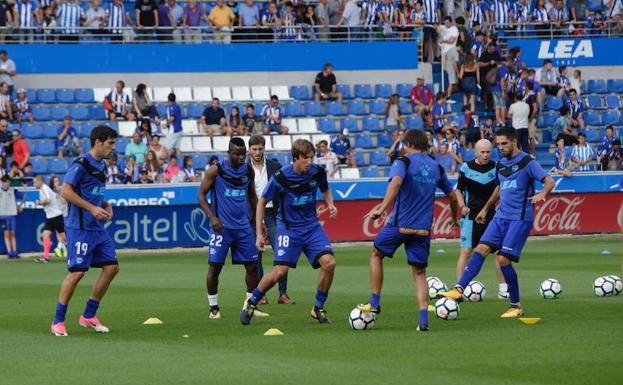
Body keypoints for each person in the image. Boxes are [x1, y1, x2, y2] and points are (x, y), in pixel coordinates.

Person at [439, 127, 556, 318]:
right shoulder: (500, 165)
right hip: (500, 216)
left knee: (502, 259)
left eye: (504, 144)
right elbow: (500, 188)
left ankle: (515, 305)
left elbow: (549, 181)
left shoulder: (527, 162)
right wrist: (486, 209)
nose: (500, 147)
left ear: (514, 142)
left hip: (519, 218)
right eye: (498, 144)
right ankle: (458, 289)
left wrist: (542, 193)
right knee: (480, 249)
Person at [357, 129, 459, 331]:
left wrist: (382, 208)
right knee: (420, 273)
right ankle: (423, 320)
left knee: (376, 254)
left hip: (399, 224)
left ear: (408, 144)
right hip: (422, 229)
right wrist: (454, 218)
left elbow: (396, 182)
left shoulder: (403, 162)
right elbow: (453, 197)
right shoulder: (437, 167)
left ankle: (375, 303)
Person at [241, 139, 338, 325]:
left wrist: (330, 203)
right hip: (288, 229)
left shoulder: (317, 172)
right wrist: (259, 232)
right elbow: (262, 201)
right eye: (306, 159)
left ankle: (318, 308)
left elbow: (325, 188)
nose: (310, 162)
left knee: (329, 263)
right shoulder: (281, 177)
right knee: (279, 271)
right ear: (295, 158)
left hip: (311, 227)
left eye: (312, 158)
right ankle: (252, 301)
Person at [50, 125, 119, 337]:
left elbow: (92, 193)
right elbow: (65, 192)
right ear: (97, 142)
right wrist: (91, 208)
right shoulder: (80, 164)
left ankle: (88, 315)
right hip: (79, 228)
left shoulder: (101, 166)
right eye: (110, 143)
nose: (113, 147)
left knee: (111, 268)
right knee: (77, 272)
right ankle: (58, 321)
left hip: (96, 228)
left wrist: (105, 204)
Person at [197, 137, 265, 319]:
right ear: (229, 153)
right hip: (222, 228)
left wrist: (260, 223)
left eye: (243, 154)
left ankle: (250, 305)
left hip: (243, 228)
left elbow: (252, 198)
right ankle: (213, 308)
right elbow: (201, 195)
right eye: (237, 154)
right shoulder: (216, 170)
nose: (241, 157)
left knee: (252, 266)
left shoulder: (247, 170)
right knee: (215, 267)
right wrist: (212, 217)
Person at [455, 139, 508, 298]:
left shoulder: (497, 167)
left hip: (492, 216)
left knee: (499, 252)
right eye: (482, 152)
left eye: (488, 152)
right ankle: (458, 289)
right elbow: (458, 190)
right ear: (476, 152)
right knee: (466, 252)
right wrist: (462, 206)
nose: (486, 155)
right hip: (470, 217)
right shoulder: (466, 168)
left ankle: (503, 290)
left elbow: (501, 188)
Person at [247, 135, 294, 304]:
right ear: (249, 150)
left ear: (264, 149)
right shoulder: (244, 169)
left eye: (260, 149)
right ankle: (261, 295)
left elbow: (285, 190)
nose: (257, 152)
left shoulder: (275, 166)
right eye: (254, 149)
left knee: (282, 253)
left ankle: (282, 294)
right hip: (253, 216)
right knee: (256, 256)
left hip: (274, 214)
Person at [34, 175, 68, 263]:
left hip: (56, 216)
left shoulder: (44, 188)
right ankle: (46, 257)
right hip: (51, 217)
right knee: (46, 235)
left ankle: (79, 251)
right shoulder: (44, 189)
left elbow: (48, 200)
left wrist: (39, 202)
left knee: (65, 236)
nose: (34, 184)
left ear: (39, 181)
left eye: (35, 182)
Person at [0, 174, 25, 259]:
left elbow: (24, 196)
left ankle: (15, 252)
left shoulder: (13, 190)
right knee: (6, 234)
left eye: (9, 182)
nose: (8, 184)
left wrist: (20, 206)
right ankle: (9, 252)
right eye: (6, 182)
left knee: (13, 233)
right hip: (3, 215)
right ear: (2, 182)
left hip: (12, 214)